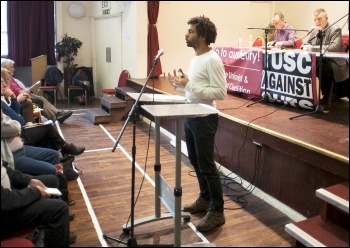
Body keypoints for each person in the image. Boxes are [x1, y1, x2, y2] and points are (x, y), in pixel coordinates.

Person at [168, 15, 227, 232]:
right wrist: (179, 86)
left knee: (207, 165)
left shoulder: (212, 60)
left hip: (205, 119)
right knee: (195, 161)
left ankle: (217, 210)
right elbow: (193, 90)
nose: (186, 34)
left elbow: (220, 93)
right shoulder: (195, 59)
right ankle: (204, 199)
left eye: (191, 31)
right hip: (191, 115)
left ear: (202, 36)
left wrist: (189, 85)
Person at [1, 159, 76, 246]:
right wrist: (35, 192)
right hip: (5, 210)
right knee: (59, 209)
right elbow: (5, 201)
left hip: (8, 196)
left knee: (53, 180)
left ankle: (54, 233)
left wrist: (28, 180)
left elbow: (5, 169)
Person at [1, 58, 73, 124]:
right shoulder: (6, 81)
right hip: (20, 97)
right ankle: (56, 116)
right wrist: (23, 93)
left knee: (41, 99)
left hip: (22, 95)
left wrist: (24, 91)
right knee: (38, 101)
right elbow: (16, 92)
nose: (13, 69)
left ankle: (57, 114)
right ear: (4, 68)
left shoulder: (12, 79)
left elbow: (20, 88)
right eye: (11, 67)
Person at [304, 8, 348, 104]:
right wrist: (305, 46)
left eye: (319, 19)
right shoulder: (314, 30)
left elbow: (334, 47)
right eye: (315, 20)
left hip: (335, 61)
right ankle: (307, 95)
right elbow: (306, 44)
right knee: (305, 64)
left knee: (321, 67)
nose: (317, 22)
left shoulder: (335, 28)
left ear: (326, 18)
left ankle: (326, 96)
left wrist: (312, 47)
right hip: (321, 59)